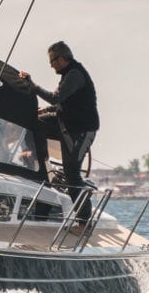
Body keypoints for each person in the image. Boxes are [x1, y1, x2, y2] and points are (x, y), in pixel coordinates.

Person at [18, 42, 99, 226]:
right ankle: (38, 159)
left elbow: (56, 98)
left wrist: (32, 85)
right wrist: (44, 110)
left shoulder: (75, 75)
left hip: (81, 131)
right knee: (35, 123)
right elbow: (62, 103)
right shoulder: (67, 75)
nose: (51, 65)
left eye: (52, 61)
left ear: (61, 59)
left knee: (72, 174)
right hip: (66, 122)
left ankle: (84, 224)